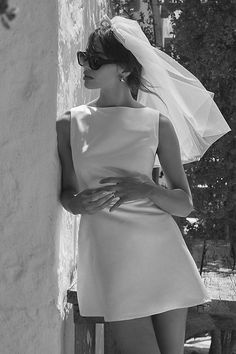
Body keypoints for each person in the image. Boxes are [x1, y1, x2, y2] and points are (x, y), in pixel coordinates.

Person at [56, 15, 230, 354]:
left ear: (123, 68)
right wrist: (77, 203)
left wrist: (148, 190)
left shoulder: (157, 124)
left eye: (95, 60)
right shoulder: (69, 124)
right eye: (84, 57)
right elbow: (66, 192)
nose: (86, 66)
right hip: (113, 258)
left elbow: (184, 203)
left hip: (162, 254)